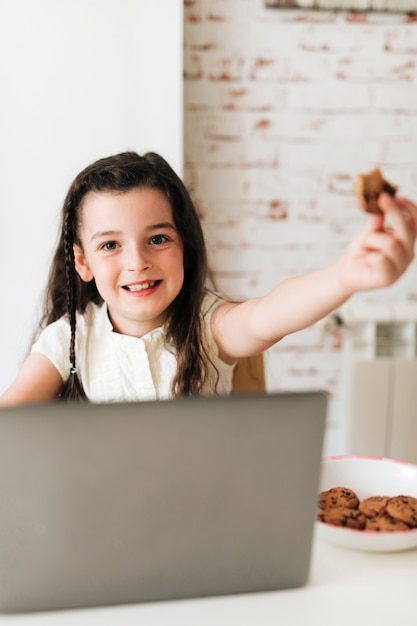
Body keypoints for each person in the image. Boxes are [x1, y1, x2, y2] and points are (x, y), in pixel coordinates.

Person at [1, 151, 416, 405]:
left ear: (185, 245)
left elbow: (269, 314)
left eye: (157, 238)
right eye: (110, 245)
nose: (137, 262)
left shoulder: (208, 324)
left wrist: (345, 276)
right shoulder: (67, 339)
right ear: (82, 262)